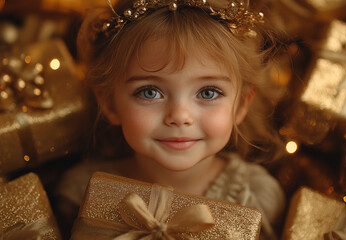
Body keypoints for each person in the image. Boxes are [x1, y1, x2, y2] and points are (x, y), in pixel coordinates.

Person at [57, 0, 287, 239]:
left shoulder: (256, 198)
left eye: (208, 92)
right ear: (109, 103)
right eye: (150, 92)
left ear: (241, 105)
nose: (179, 116)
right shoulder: (79, 194)